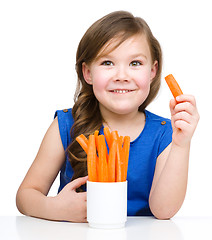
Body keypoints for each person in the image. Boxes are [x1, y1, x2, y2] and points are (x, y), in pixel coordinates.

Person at [16, 10, 199, 222]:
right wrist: (53, 208)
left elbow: (163, 211)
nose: (122, 76)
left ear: (152, 71)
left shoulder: (165, 132)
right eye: (107, 63)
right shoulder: (65, 124)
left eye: (135, 63)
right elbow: (25, 195)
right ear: (88, 73)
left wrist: (182, 144)